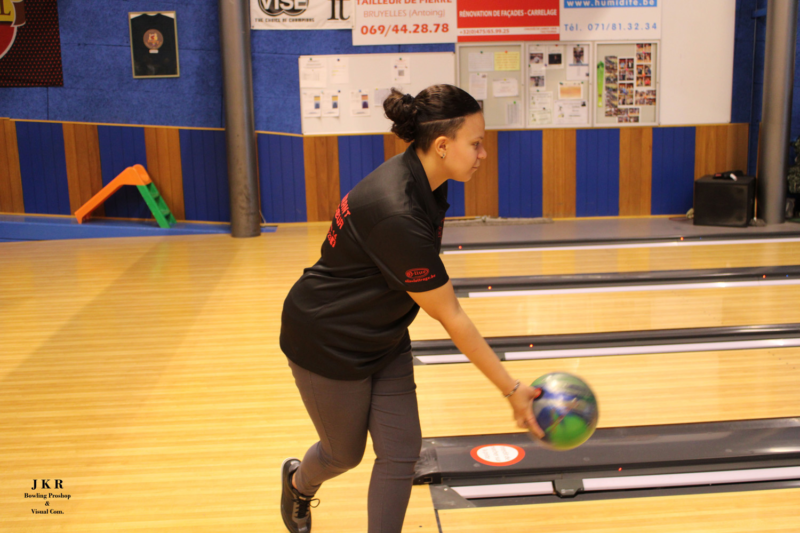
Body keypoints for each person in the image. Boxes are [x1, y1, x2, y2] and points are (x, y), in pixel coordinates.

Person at [279, 84, 545, 533]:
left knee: (402, 451)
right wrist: (511, 388)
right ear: (442, 146)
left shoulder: (422, 180)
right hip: (329, 340)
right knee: (344, 454)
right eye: (476, 144)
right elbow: (451, 316)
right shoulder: (397, 209)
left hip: (383, 335)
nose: (483, 154)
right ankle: (298, 484)